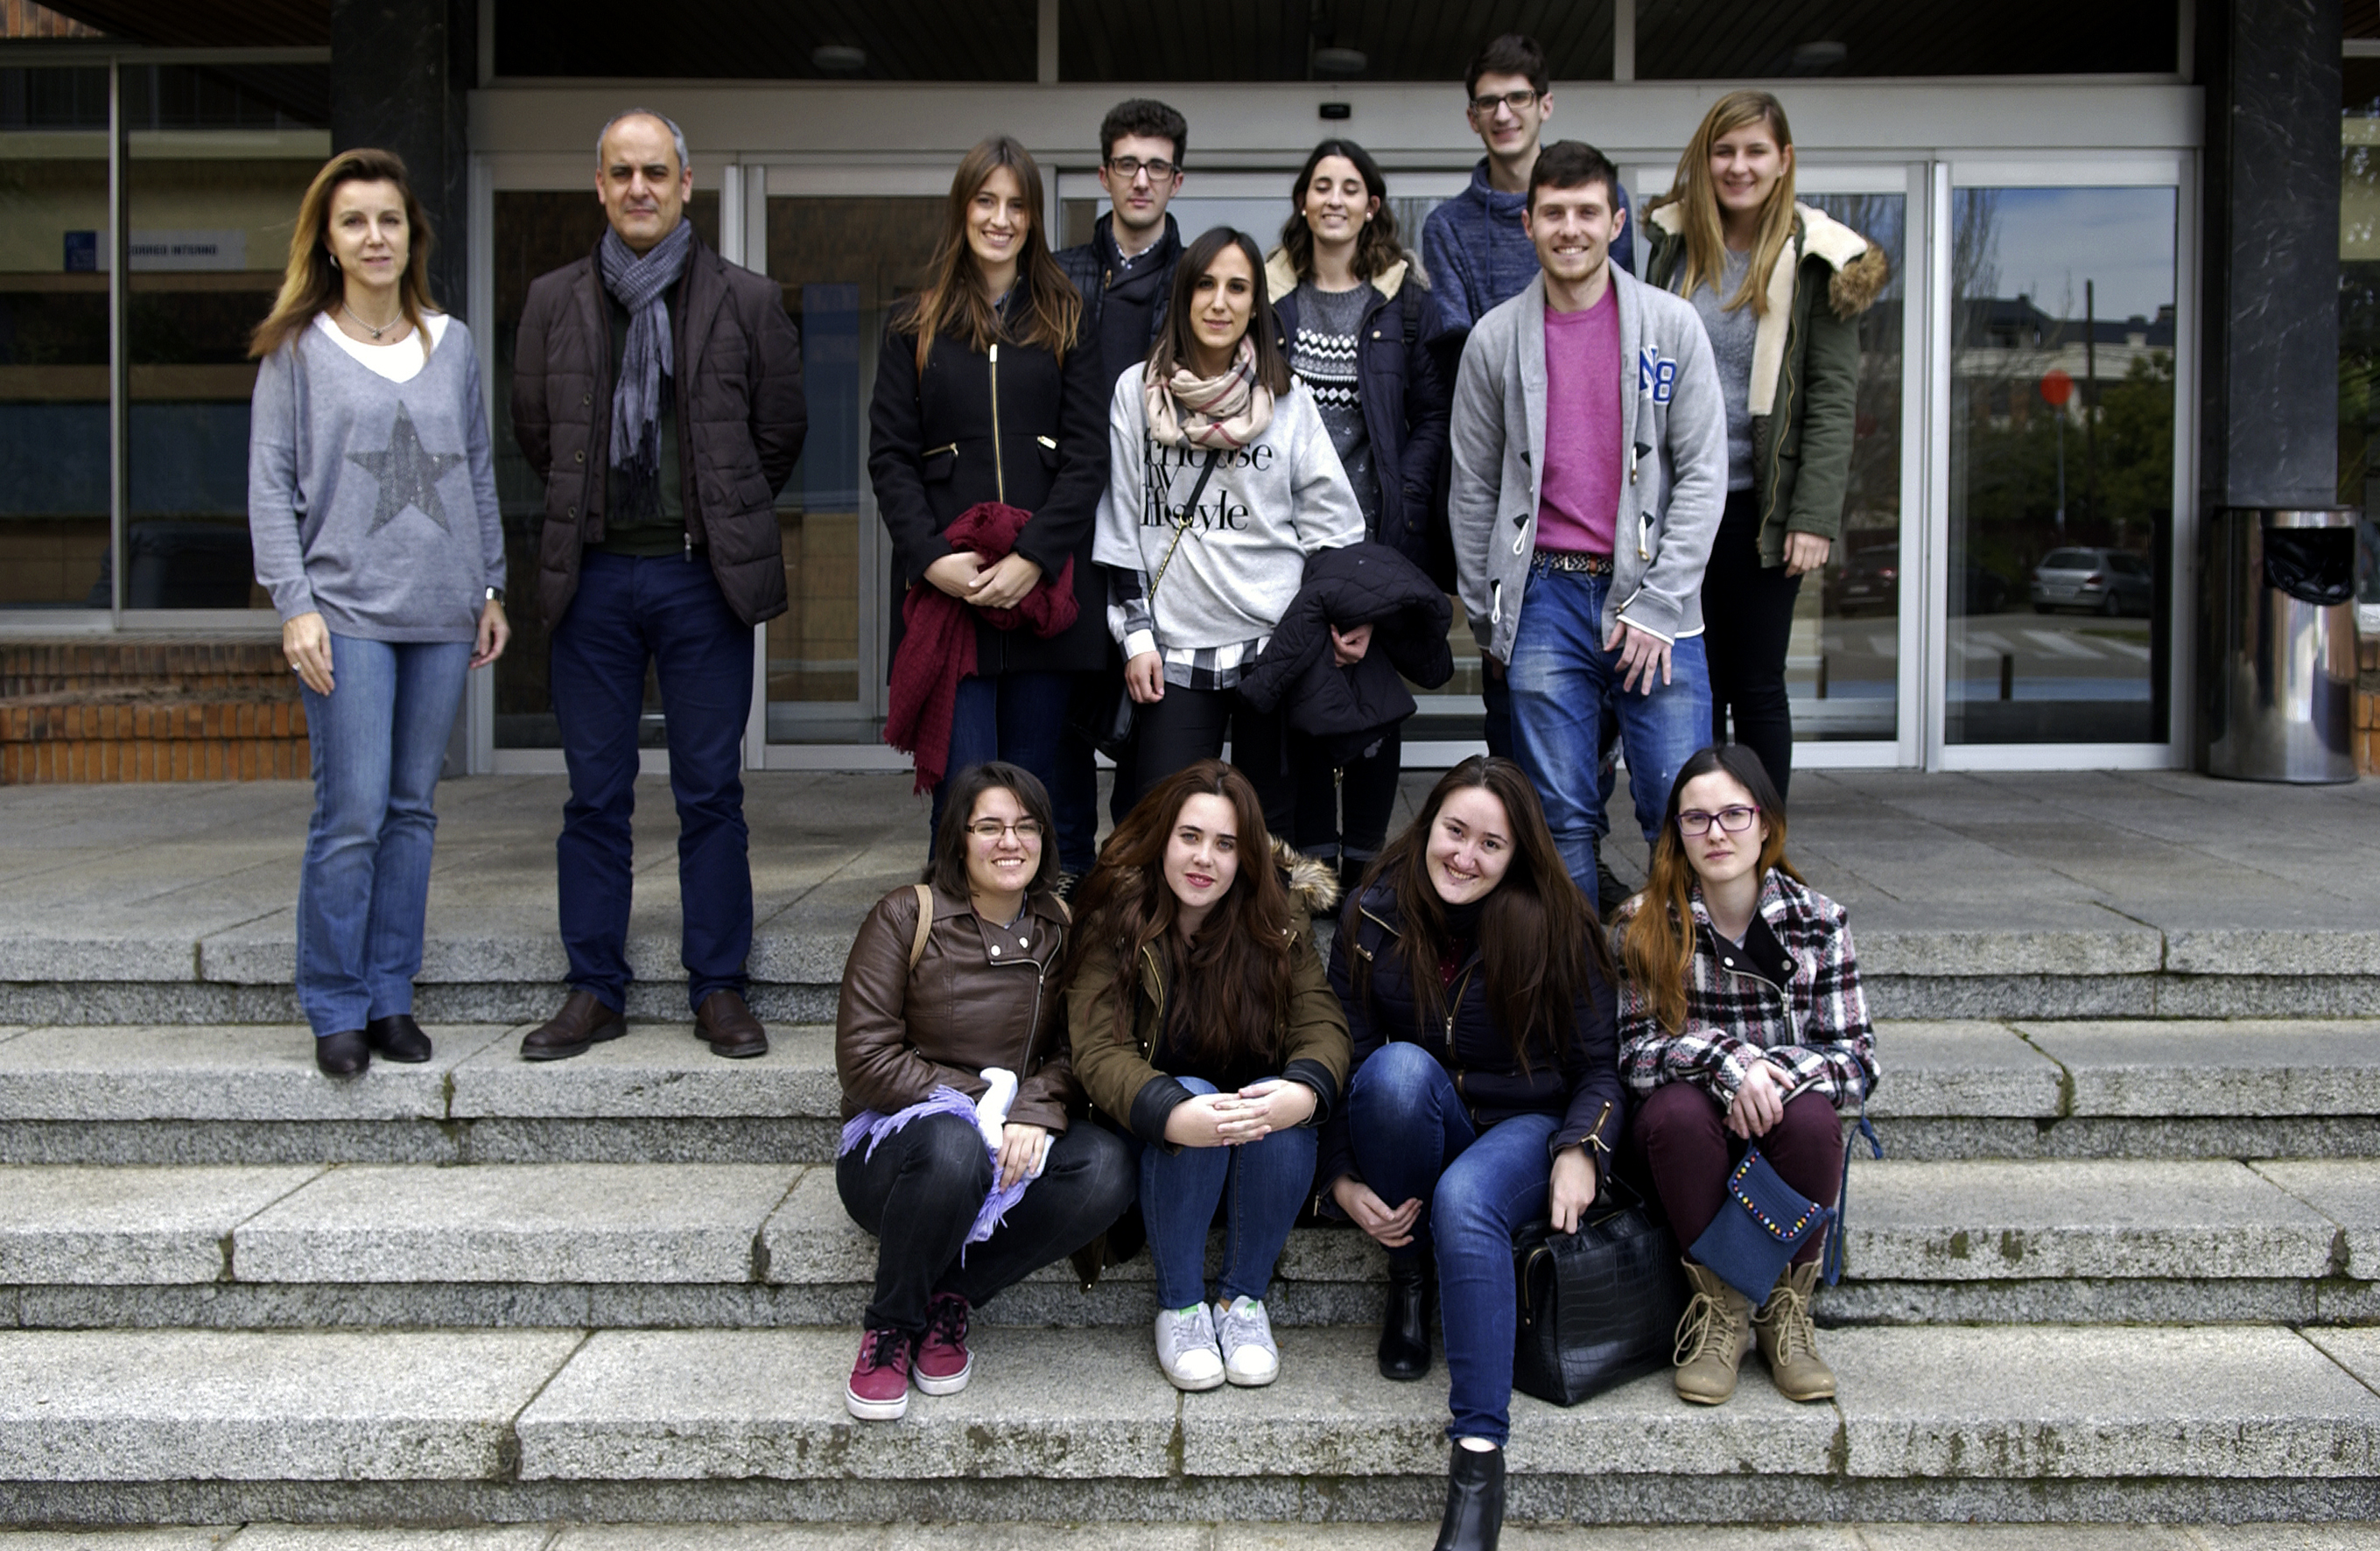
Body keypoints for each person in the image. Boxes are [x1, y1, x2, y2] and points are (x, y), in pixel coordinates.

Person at [509, 109, 807, 1063]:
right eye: (621, 172)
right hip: (591, 580)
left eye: (656, 172)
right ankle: (594, 987)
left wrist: (717, 516)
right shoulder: (553, 301)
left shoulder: (747, 300)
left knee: (709, 792)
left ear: (687, 184)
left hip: (698, 581)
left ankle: (718, 986)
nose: (639, 187)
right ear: (599, 187)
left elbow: (778, 434)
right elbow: (535, 432)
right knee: (594, 795)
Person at [247, 148, 509, 1077]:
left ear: (412, 235)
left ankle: (391, 994)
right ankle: (334, 1002)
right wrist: (295, 605)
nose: (374, 237)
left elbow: (476, 469)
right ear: (327, 237)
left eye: (389, 220)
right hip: (345, 614)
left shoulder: (455, 341)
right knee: (350, 812)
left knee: (412, 811)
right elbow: (269, 485)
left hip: (440, 611)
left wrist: (489, 585)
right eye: (354, 221)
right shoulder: (296, 347)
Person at [1322, 756, 1622, 1551]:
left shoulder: (1559, 924)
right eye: (1454, 832)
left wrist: (1581, 1148)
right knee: (1390, 1073)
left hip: (1525, 1126)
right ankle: (1410, 1277)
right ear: (1428, 828)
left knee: (1466, 1197)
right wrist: (1340, 1175)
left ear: (1518, 854)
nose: (1465, 857)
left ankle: (1478, 1464)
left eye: (1491, 844)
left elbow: (1597, 1065)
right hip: (1421, 1117)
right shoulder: (1372, 916)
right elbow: (1339, 1051)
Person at [1446, 140, 1727, 902]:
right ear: (1527, 225)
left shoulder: (1671, 328)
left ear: (1616, 223)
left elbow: (1703, 474)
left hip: (1658, 607)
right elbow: (1471, 487)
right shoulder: (1494, 340)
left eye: (1586, 212)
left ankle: (1687, 985)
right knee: (1559, 814)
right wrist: (1490, 614)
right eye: (1552, 213)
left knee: (1681, 806)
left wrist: (1661, 603)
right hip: (1542, 597)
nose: (1569, 228)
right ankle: (1576, 999)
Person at [833, 761, 1134, 1421]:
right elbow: (864, 1059)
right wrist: (984, 1104)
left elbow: (1079, 1047)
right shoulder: (904, 915)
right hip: (898, 1156)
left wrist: (1034, 1108)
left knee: (1108, 1167)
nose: (1009, 842)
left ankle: (950, 1298)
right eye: (989, 826)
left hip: (1011, 1146)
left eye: (1025, 827)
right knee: (952, 1147)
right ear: (958, 839)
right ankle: (889, 1327)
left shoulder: (1063, 925)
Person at [1064, 759, 1351, 1393]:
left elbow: (1320, 1024)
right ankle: (1182, 1306)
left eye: (1225, 844)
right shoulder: (1116, 913)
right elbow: (1096, 1048)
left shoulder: (1277, 919)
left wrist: (1302, 1090)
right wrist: (1168, 1110)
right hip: (1154, 1144)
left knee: (1284, 1108)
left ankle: (1242, 1301)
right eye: (1190, 837)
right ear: (1163, 838)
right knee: (1193, 1096)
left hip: (1253, 1153)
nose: (1205, 859)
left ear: (1246, 857)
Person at [1612, 744, 1878, 1408]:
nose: (1716, 833)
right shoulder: (1643, 923)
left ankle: (1785, 1306)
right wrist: (1729, 1067)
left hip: (1784, 1138)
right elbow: (1634, 1053)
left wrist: (1768, 1076)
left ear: (1765, 824)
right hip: (1689, 1143)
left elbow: (1855, 1060)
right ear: (1675, 832)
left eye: (1733, 814)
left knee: (1817, 1116)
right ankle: (1721, 1309)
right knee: (1674, 1112)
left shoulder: (1819, 922)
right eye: (1695, 819)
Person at [869, 135, 1109, 860]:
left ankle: (1032, 958)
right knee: (965, 792)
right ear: (962, 209)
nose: (1000, 218)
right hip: (951, 597)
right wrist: (931, 559)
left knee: (1034, 793)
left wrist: (1032, 558)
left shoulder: (1068, 317)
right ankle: (956, 956)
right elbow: (889, 459)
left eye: (1016, 204)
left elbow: (1087, 458)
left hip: (1043, 595)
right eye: (986, 201)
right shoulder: (913, 325)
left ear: (1033, 218)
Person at [1641, 91, 1886, 798]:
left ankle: (1763, 853)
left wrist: (1811, 515)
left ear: (1783, 161)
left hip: (1758, 509)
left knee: (1753, 687)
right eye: (1724, 151)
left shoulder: (1820, 257)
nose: (1737, 166)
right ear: (1704, 158)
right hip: (1674, 502)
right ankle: (1692, 845)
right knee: (1688, 688)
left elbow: (1832, 399)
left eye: (1754, 151)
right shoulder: (1670, 243)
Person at [1093, 227, 1366, 825]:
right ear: (1183, 295)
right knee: (1164, 821)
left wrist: (1342, 617)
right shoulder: (1136, 394)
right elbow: (1118, 528)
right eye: (1206, 284)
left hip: (1275, 646)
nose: (1220, 302)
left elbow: (1335, 528)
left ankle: (1265, 924)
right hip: (1175, 647)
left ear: (1255, 301)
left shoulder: (1288, 402)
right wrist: (1135, 639)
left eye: (1237, 287)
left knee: (1269, 825)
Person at [1422, 31, 1632, 763]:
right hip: (1506, 489)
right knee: (1513, 699)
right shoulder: (1448, 226)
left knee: (1604, 703)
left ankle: (1576, 850)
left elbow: (1617, 327)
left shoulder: (1592, 200)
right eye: (1488, 102)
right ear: (1471, 117)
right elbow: (1464, 354)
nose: (1504, 112)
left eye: (1518, 97)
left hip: (1600, 500)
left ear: (1544, 105)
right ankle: (1523, 859)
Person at [1265, 139, 1450, 887]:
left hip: (1376, 539)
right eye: (1321, 186)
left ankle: (1366, 871)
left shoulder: (1407, 304)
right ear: (1303, 202)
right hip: (1288, 543)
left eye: (1350, 187)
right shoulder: (1268, 301)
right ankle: (1312, 868)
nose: (1335, 199)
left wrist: (1404, 497)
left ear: (1371, 204)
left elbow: (1431, 415)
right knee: (1306, 699)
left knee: (1373, 698)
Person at [1055, 98, 1193, 849]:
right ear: (1104, 174)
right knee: (1068, 715)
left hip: (1164, 534)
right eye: (1127, 165)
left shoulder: (1196, 278)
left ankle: (1139, 872)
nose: (1142, 180)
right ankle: (1071, 868)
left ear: (1178, 179)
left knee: (1152, 715)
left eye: (1157, 167)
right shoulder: (1059, 275)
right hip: (1071, 526)